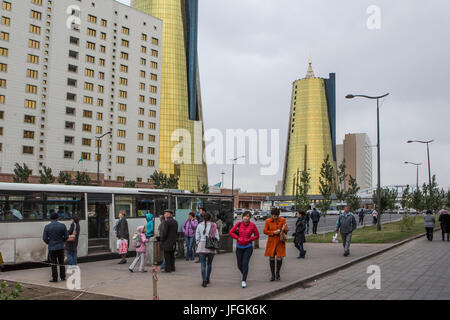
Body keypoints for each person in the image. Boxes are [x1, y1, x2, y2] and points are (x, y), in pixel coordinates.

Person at [229, 211, 259, 288]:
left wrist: (249, 239)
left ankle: (244, 280)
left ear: (250, 218)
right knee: (239, 265)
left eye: (248, 216)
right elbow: (231, 232)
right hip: (239, 247)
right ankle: (244, 274)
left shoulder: (252, 225)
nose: (246, 218)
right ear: (242, 217)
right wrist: (237, 238)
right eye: (245, 216)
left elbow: (257, 235)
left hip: (248, 247)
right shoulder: (238, 224)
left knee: (245, 263)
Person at [264, 208, 289, 281]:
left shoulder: (282, 220)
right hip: (271, 242)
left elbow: (287, 230)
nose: (275, 217)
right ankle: (272, 275)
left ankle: (278, 273)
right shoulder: (268, 221)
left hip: (280, 241)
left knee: (279, 257)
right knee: (271, 257)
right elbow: (265, 231)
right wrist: (273, 232)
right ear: (271, 215)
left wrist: (284, 229)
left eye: (276, 216)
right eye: (274, 216)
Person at [42, 212, 68, 282]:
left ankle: (55, 278)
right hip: (60, 247)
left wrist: (49, 243)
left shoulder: (47, 227)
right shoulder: (62, 225)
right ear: (57, 218)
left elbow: (44, 238)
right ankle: (63, 277)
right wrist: (62, 241)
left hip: (52, 248)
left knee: (53, 263)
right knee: (61, 262)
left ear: (50, 218)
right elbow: (66, 236)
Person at [196, 212, 220, 287]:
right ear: (210, 218)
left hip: (202, 246)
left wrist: (198, 243)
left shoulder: (199, 225)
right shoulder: (214, 225)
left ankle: (204, 281)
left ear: (203, 218)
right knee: (209, 264)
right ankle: (208, 278)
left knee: (203, 265)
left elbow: (197, 237)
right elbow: (217, 237)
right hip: (211, 247)